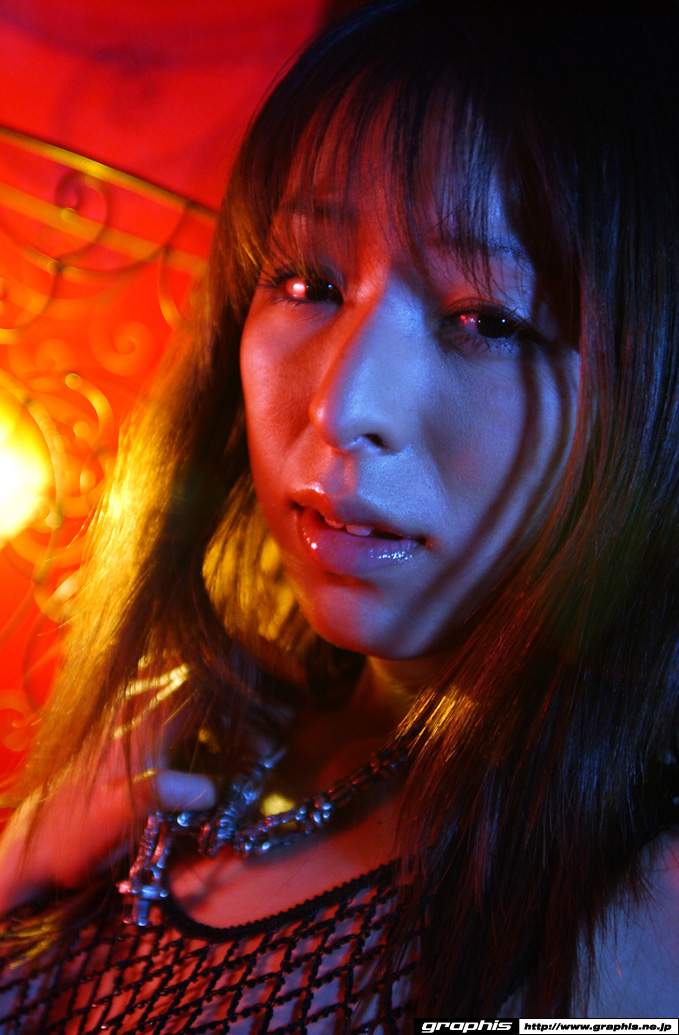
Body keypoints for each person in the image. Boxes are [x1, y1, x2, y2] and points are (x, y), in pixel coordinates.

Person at [0, 3, 677, 1028]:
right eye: (306, 282)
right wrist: (20, 867)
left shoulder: (628, 911)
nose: (343, 403)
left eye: (485, 319)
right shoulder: (192, 744)